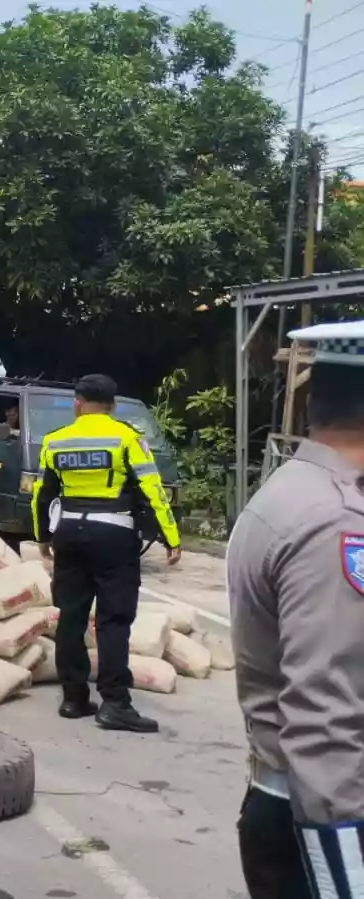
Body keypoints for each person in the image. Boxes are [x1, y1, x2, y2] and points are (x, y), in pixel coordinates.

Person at [227, 320, 364, 899]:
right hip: (324, 818)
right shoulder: (337, 522)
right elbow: (324, 718)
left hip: (290, 805)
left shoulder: (293, 491)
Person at [31, 373, 180, 734]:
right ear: (112, 406)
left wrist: (43, 536)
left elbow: (41, 493)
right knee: (114, 620)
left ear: (77, 403)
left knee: (71, 616)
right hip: (114, 535)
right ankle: (115, 703)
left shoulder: (55, 441)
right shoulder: (127, 437)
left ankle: (74, 698)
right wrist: (171, 536)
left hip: (69, 533)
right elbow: (152, 487)